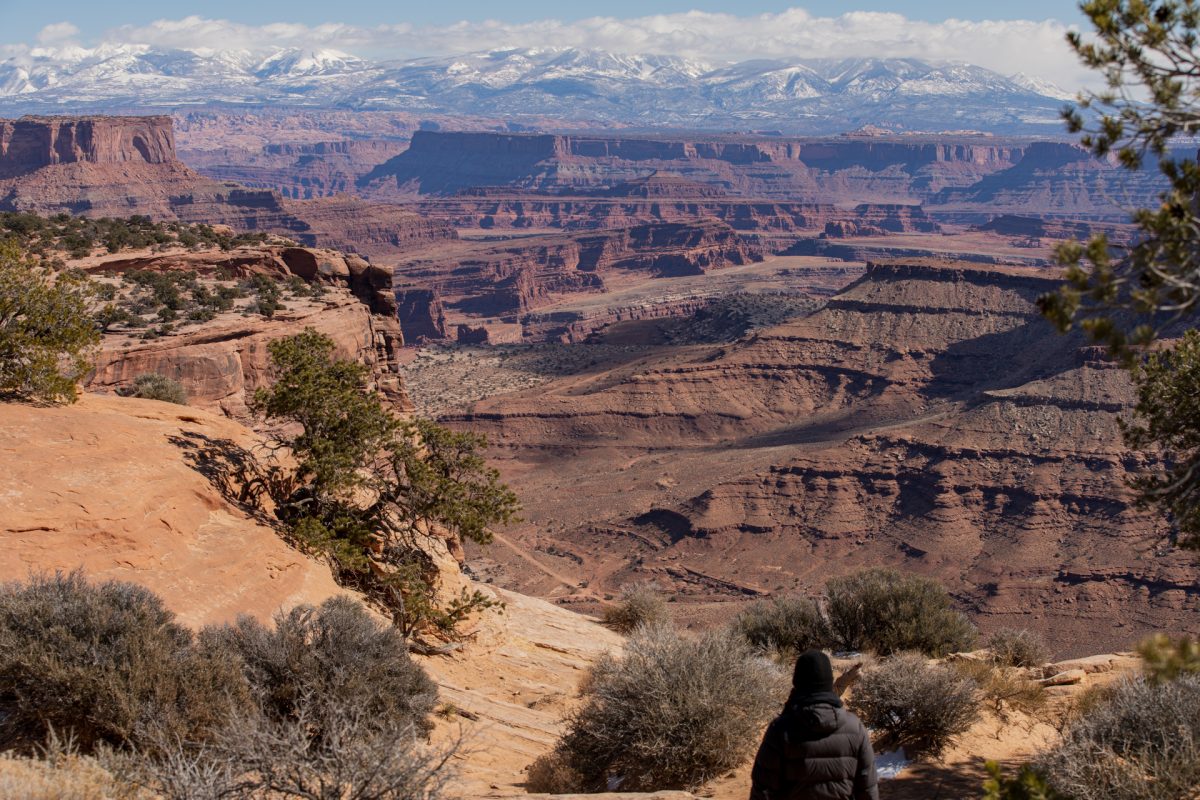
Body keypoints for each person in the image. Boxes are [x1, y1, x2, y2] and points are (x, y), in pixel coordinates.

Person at [749, 649, 878, 800]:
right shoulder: (855, 728)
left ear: (797, 682)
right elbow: (868, 790)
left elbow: (763, 790)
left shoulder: (780, 730)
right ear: (829, 681)